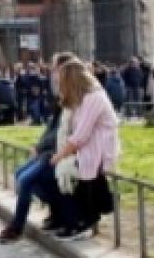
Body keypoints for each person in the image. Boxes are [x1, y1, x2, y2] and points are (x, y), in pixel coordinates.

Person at [0, 52, 76, 243]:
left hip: (59, 153)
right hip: (49, 151)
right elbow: (51, 127)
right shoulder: (62, 94)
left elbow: (62, 132)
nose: (52, 73)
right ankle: (57, 211)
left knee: (26, 180)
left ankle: (16, 227)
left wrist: (42, 149)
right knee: (20, 174)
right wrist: (38, 145)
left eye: (55, 69)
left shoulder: (73, 96)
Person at [51, 59, 121, 241]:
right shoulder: (84, 98)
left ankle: (83, 222)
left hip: (100, 147)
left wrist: (60, 155)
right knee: (62, 171)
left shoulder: (94, 97)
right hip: (89, 146)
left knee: (70, 171)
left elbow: (81, 134)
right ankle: (69, 219)